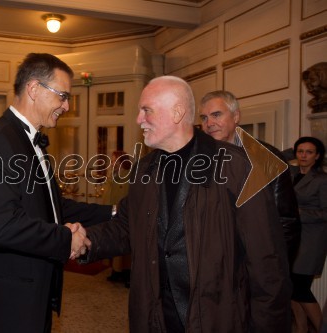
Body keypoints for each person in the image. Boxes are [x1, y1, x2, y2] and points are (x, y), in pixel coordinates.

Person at [81, 76, 292, 332]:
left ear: (178, 112)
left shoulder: (238, 167)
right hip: (156, 316)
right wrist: (85, 241)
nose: (139, 120)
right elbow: (127, 226)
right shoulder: (144, 169)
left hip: (216, 317)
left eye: (146, 110)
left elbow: (266, 261)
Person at [0, 53, 113, 332]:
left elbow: (51, 207)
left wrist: (113, 212)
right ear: (34, 89)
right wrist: (65, 239)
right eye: (62, 96)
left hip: (24, 290)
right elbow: (1, 226)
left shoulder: (27, 141)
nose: (66, 105)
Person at [198, 90, 301, 264]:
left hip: (254, 263)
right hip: (211, 263)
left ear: (236, 116)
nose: (209, 123)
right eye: (204, 118)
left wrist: (276, 269)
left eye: (216, 115)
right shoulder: (198, 159)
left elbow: (286, 221)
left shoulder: (266, 157)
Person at [289, 136, 327, 333]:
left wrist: (301, 213)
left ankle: (321, 328)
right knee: (292, 289)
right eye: (300, 151)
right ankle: (301, 329)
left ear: (317, 156)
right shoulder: (292, 173)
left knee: (301, 289)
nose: (303, 155)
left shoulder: (321, 180)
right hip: (292, 238)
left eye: (309, 152)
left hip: (312, 241)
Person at [102, 150, 132, 288]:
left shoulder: (129, 175)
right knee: (114, 243)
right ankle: (116, 271)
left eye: (114, 160)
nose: (112, 163)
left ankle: (127, 273)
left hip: (124, 216)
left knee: (125, 246)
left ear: (121, 161)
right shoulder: (113, 175)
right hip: (112, 214)